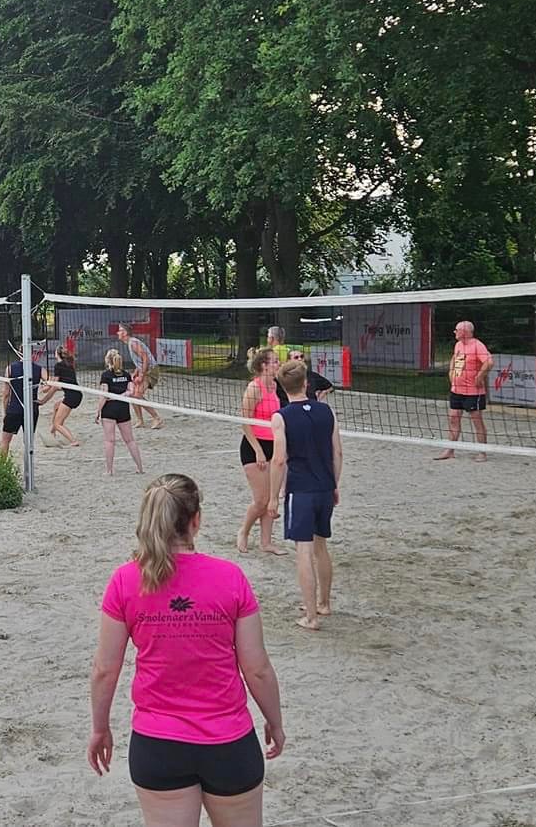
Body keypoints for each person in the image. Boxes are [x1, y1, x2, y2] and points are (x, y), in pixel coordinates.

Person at [88, 474, 286, 827]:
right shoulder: (230, 578)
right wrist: (275, 721)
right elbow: (257, 669)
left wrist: (100, 728)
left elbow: (105, 669)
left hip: (158, 744)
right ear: (196, 520)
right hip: (228, 741)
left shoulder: (126, 580)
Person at [279, 360, 341, 631]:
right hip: (325, 487)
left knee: (303, 551)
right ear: (306, 383)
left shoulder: (281, 417)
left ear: (283, 387)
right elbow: (338, 452)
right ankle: (323, 603)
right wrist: (334, 484)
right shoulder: (326, 411)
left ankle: (311, 617)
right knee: (321, 547)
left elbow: (279, 460)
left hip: (301, 490)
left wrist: (274, 495)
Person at [236, 348, 286, 556]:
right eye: (274, 361)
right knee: (261, 500)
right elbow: (245, 422)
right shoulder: (254, 388)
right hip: (253, 446)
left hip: (274, 445)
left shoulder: (277, 386)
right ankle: (244, 531)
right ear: (264, 365)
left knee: (272, 499)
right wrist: (258, 450)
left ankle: (266, 542)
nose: (278, 364)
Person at [433, 321, 492, 462]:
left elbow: (489, 362)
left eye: (456, 330)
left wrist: (479, 376)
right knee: (453, 418)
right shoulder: (458, 345)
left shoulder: (477, 345)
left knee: (477, 421)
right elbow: (455, 357)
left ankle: (482, 452)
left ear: (464, 332)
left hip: (473, 392)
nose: (454, 332)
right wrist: (451, 371)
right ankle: (450, 450)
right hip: (457, 390)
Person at [0, 346, 53, 458]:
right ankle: (29, 465)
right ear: (32, 354)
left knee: (5, 440)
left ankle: (1, 465)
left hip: (14, 409)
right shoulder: (39, 369)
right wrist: (44, 398)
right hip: (32, 409)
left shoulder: (10, 369)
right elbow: (51, 383)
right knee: (28, 442)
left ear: (19, 353)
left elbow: (6, 394)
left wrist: (5, 412)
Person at [100, 350, 146, 474]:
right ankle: (140, 468)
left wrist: (98, 411)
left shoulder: (106, 375)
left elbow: (104, 395)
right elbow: (131, 391)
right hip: (123, 409)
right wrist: (121, 395)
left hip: (109, 409)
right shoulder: (126, 375)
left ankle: (109, 470)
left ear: (108, 361)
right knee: (130, 440)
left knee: (109, 441)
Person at [117, 323, 163, 429]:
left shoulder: (133, 343)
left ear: (125, 333)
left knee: (137, 395)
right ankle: (140, 420)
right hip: (145, 369)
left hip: (150, 370)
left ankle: (157, 418)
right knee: (132, 394)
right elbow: (141, 360)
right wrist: (136, 371)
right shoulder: (130, 343)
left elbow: (145, 358)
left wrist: (141, 375)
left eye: (120, 330)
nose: (117, 332)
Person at [48, 348, 84, 448]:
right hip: (76, 394)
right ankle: (52, 432)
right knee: (56, 406)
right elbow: (63, 384)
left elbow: (55, 384)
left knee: (57, 423)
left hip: (71, 396)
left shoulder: (58, 365)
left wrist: (47, 389)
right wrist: (48, 386)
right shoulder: (69, 365)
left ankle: (73, 441)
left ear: (57, 354)